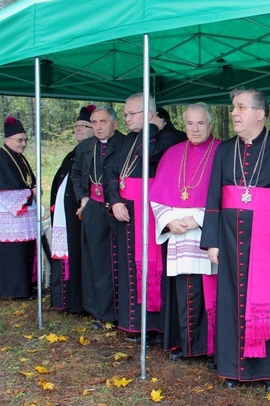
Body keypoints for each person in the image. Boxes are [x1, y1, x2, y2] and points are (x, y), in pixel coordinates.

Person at [200, 89, 270, 391]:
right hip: (231, 240)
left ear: (259, 114)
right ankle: (234, 369)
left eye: (241, 107)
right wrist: (212, 241)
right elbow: (213, 198)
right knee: (233, 301)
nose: (234, 113)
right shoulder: (224, 150)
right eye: (234, 107)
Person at [104, 93, 184, 341]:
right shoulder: (128, 139)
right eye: (125, 114)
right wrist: (115, 199)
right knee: (130, 269)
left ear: (148, 113)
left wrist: (150, 127)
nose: (126, 119)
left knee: (153, 268)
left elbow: (149, 153)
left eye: (131, 114)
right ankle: (134, 323)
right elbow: (112, 170)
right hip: (127, 210)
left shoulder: (170, 136)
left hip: (154, 213)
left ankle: (157, 328)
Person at [151, 103, 219, 365]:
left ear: (210, 125)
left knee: (209, 290)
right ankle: (186, 344)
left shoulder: (222, 152)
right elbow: (157, 197)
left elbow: (227, 196)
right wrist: (169, 221)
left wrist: (199, 218)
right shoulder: (172, 153)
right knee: (182, 290)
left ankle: (212, 348)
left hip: (207, 232)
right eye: (190, 123)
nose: (195, 128)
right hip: (178, 232)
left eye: (200, 123)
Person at [71, 107, 125, 330]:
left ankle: (123, 311)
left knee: (119, 261)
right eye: (94, 122)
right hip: (94, 208)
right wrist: (82, 197)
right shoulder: (85, 146)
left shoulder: (126, 144)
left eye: (103, 122)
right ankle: (100, 312)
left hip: (119, 209)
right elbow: (76, 173)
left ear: (114, 123)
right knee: (96, 261)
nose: (98, 127)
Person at [0, 117, 37, 299]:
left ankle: (16, 287)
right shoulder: (0, 159)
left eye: (25, 140)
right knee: (11, 254)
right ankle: (13, 290)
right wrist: (30, 194)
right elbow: (3, 191)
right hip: (8, 215)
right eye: (19, 140)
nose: (23, 144)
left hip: (16, 216)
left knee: (18, 252)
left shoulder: (16, 157)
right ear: (7, 140)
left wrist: (31, 191)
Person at [49, 104, 95, 313]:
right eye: (76, 125)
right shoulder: (72, 153)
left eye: (84, 125)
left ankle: (77, 301)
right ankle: (64, 299)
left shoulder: (92, 152)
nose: (78, 129)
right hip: (64, 215)